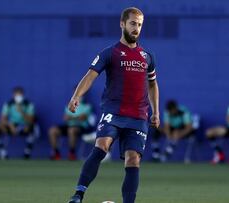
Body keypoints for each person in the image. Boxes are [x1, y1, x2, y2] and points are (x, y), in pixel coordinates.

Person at [66, 7, 160, 203]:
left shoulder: (147, 57)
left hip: (138, 116)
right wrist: (76, 96)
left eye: (140, 25)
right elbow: (90, 75)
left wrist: (156, 112)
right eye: (133, 23)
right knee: (101, 146)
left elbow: (152, 84)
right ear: (122, 24)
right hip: (114, 112)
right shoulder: (110, 52)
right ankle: (78, 194)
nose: (136, 28)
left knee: (133, 159)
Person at [0, 87, 36, 160]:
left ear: (23, 95)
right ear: (13, 95)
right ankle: (3, 153)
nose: (18, 97)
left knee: (33, 128)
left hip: (24, 126)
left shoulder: (29, 104)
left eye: (20, 95)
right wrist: (10, 125)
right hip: (12, 126)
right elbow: (2, 119)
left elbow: (31, 120)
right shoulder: (8, 104)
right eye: (16, 95)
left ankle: (27, 153)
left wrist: (21, 111)